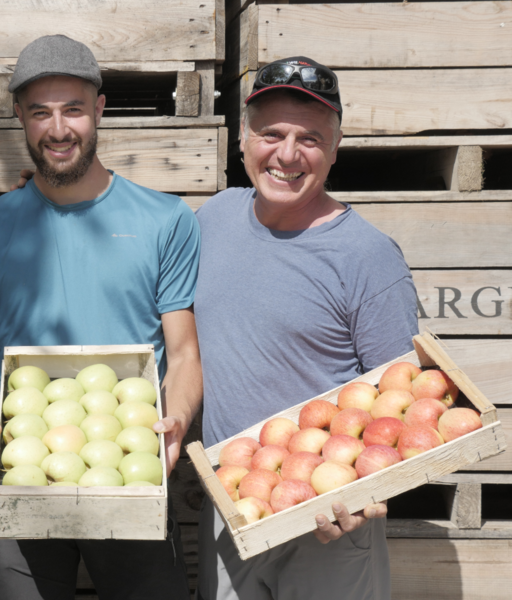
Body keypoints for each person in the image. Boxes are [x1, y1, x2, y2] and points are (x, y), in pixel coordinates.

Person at [0, 35, 203, 600]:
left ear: (100, 110)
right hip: (16, 472)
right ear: (19, 115)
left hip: (133, 468)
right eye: (40, 112)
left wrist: (177, 419)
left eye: (73, 110)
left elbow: (183, 352)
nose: (58, 129)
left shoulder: (165, 220)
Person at [193, 57, 419, 599]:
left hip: (331, 521)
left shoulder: (368, 258)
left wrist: (360, 495)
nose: (288, 155)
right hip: (234, 508)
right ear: (244, 141)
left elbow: (401, 401)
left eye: (310, 139)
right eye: (272, 133)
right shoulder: (214, 218)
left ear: (336, 148)